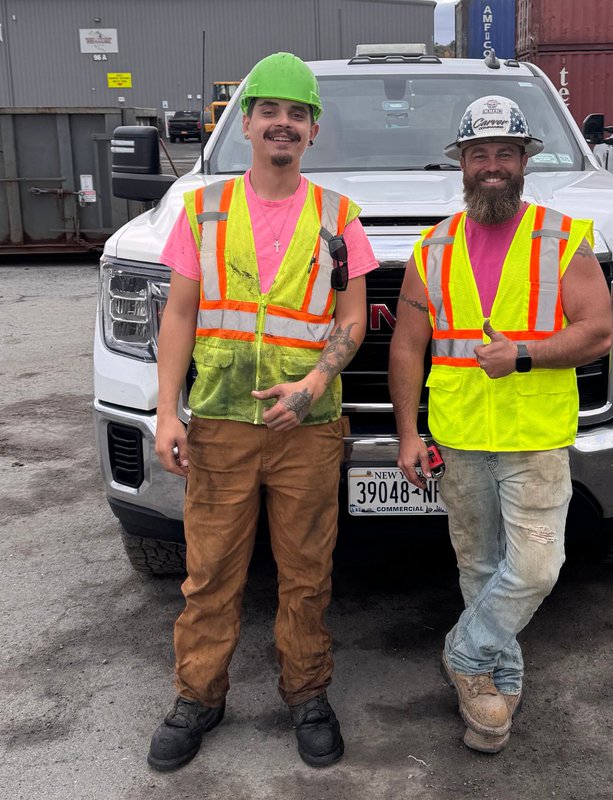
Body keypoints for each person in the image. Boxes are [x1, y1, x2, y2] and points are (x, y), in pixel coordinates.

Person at [148, 52, 378, 771]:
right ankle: (198, 697)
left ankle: (307, 694)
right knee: (210, 572)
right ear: (245, 123)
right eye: (269, 111)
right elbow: (179, 315)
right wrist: (166, 413)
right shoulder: (203, 210)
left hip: (308, 428)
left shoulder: (340, 218)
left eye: (297, 113)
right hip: (219, 423)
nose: (283, 123)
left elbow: (353, 319)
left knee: (306, 573)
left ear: (314, 130)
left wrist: (312, 384)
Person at [387, 95, 613, 753]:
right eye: (479, 153)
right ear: (462, 163)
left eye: (505, 153)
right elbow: (407, 347)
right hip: (458, 439)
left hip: (533, 438)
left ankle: (464, 652)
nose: (492, 165)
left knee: (538, 566)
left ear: (523, 162)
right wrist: (408, 434)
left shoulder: (561, 238)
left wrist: (525, 355)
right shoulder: (433, 247)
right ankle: (493, 685)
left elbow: (597, 331)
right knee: (479, 566)